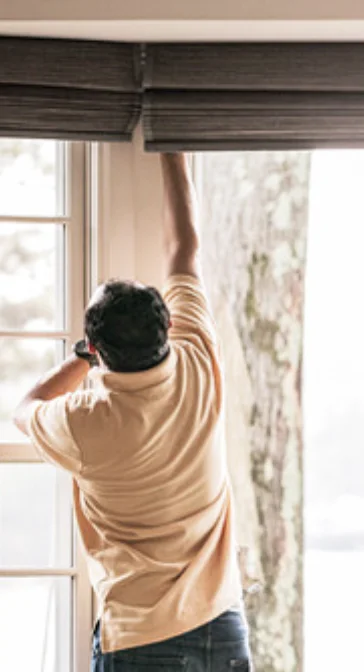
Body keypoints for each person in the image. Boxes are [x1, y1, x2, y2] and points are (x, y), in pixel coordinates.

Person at [14, 153, 251, 670]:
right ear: (167, 324)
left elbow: (26, 407)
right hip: (221, 624)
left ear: (97, 351)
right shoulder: (199, 362)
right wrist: (170, 147)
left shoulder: (83, 423)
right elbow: (183, 245)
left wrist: (82, 358)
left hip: (140, 636)